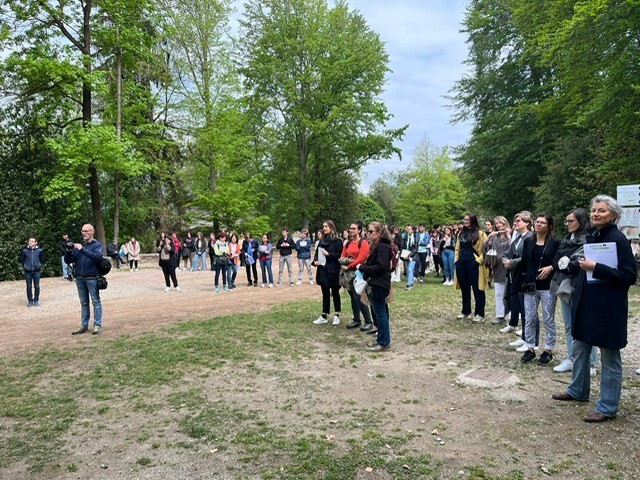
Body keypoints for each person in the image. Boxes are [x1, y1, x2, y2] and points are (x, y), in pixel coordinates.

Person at [552, 195, 637, 422]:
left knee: (610, 356)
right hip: (587, 303)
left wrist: (596, 267)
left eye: (601, 211)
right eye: (594, 210)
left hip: (608, 308)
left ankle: (607, 407)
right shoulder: (592, 237)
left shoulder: (618, 239)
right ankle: (578, 390)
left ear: (614, 216)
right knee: (579, 347)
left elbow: (629, 276)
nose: (596, 214)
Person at [551, 208, 597, 374]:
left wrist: (569, 264)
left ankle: (591, 363)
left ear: (581, 221)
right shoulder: (566, 239)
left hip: (581, 287)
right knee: (569, 325)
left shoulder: (590, 240)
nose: (568, 224)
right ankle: (572, 358)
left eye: (571, 221)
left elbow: (578, 263)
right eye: (566, 221)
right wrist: (566, 263)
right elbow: (557, 260)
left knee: (585, 325)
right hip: (565, 287)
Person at [519, 213, 560, 365]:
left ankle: (548, 350)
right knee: (529, 317)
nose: (539, 224)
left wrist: (551, 267)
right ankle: (530, 348)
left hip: (547, 286)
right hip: (530, 285)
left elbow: (559, 260)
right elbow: (524, 262)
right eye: (537, 222)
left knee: (548, 318)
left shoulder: (555, 242)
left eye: (542, 222)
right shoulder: (529, 241)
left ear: (549, 226)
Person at [357, 222, 392, 352]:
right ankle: (382, 340)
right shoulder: (378, 246)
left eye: (371, 231)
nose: (368, 234)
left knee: (380, 313)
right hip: (376, 283)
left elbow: (381, 266)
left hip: (379, 284)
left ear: (379, 233)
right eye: (368, 231)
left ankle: (384, 342)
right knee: (379, 313)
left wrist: (363, 267)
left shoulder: (382, 246)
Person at [66, 224, 105, 335]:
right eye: (83, 231)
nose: (84, 233)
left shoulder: (97, 245)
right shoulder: (78, 246)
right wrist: (68, 251)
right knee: (84, 303)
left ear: (93, 232)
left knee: (95, 302)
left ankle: (97, 325)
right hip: (79, 278)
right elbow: (68, 260)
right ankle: (84, 325)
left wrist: (82, 249)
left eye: (87, 231)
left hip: (92, 277)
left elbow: (97, 257)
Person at [454, 213, 488, 322]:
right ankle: (466, 311)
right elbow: (457, 249)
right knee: (465, 289)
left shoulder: (481, 234)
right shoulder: (461, 233)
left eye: (467, 219)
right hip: (462, 264)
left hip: (474, 264)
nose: (465, 221)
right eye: (464, 219)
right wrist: (456, 261)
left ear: (473, 220)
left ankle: (479, 314)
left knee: (478, 289)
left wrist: (478, 261)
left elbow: (486, 249)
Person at [341, 221, 373, 331]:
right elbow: (342, 255)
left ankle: (368, 321)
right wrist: (345, 263)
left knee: (357, 296)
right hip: (348, 274)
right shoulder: (348, 243)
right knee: (352, 297)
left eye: (354, 228)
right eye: (350, 228)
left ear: (359, 230)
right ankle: (356, 319)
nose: (351, 230)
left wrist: (349, 265)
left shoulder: (363, 243)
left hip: (358, 273)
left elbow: (361, 258)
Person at [312, 220, 343, 325]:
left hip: (333, 270)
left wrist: (329, 254)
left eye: (326, 226)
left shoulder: (337, 241)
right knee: (325, 293)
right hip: (323, 270)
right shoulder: (322, 241)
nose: (324, 228)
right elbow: (317, 253)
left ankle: (337, 315)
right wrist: (315, 261)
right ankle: (324, 315)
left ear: (331, 227)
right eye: (323, 226)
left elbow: (339, 255)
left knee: (335, 292)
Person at [483, 216, 511, 324]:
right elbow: (484, 247)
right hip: (497, 267)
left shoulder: (511, 235)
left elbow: (514, 247)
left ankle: (511, 317)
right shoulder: (494, 237)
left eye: (500, 223)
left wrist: (508, 236)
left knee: (510, 292)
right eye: (497, 223)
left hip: (509, 266)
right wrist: (489, 236)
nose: (499, 225)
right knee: (499, 293)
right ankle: (500, 315)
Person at [20, 237, 44, 307]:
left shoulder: (39, 250)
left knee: (37, 286)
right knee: (29, 286)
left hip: (37, 271)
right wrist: (25, 266)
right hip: (28, 271)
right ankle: (30, 300)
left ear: (36, 243)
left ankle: (36, 300)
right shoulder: (25, 250)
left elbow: (42, 260)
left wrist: (38, 265)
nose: (30, 242)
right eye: (29, 241)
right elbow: (22, 260)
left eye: (32, 241)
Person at [401, 224, 418, 290]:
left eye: (409, 229)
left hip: (413, 256)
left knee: (410, 269)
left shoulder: (416, 237)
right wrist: (404, 255)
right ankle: (411, 283)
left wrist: (409, 255)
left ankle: (408, 285)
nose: (408, 230)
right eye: (407, 229)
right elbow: (402, 246)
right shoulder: (405, 237)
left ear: (413, 230)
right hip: (405, 255)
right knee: (408, 270)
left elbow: (416, 248)